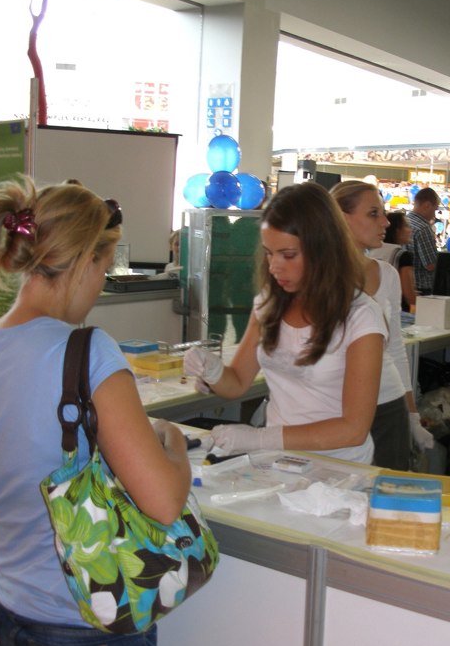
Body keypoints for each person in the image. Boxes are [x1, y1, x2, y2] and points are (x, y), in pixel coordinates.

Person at [0, 176, 191, 646]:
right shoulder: (88, 350)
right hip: (92, 626)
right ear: (87, 260)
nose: (100, 285)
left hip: (14, 615)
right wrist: (172, 444)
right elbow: (163, 501)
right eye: (104, 267)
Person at [183, 181, 386, 464]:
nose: (274, 266)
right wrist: (212, 371)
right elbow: (238, 382)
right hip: (280, 463)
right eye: (269, 253)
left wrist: (260, 438)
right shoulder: (269, 304)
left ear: (323, 250)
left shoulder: (361, 317)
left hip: (340, 469)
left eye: (288, 255)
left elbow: (353, 429)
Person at [332, 180, 434, 469]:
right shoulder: (315, 278)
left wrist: (411, 415)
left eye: (383, 213)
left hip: (388, 406)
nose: (386, 222)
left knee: (388, 489)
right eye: (373, 213)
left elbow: (395, 350)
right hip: (334, 408)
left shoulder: (387, 274)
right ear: (341, 218)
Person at [405, 187, 440, 295]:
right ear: (427, 206)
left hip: (407, 284)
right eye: (435, 209)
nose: (434, 215)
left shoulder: (405, 221)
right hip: (423, 287)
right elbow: (430, 264)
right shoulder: (423, 228)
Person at [384, 210, 416, 311]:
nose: (410, 230)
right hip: (397, 310)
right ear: (397, 230)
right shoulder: (402, 255)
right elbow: (409, 295)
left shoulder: (373, 251)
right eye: (406, 226)